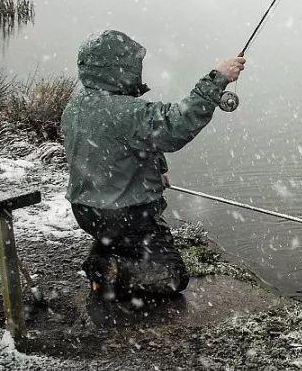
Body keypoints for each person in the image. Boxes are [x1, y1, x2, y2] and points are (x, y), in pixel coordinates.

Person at [61, 29, 245, 300]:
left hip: (87, 212)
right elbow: (175, 125)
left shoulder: (76, 106)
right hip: (126, 215)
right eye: (134, 65)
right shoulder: (126, 110)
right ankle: (111, 269)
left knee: (115, 238)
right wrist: (217, 79)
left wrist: (158, 168)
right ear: (118, 69)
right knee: (172, 277)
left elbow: (119, 146)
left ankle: (105, 253)